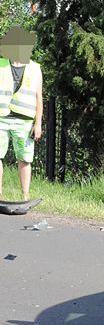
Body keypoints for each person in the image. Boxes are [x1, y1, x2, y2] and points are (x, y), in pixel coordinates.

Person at [0, 26, 42, 201]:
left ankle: (25, 195)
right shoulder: (1, 64)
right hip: (1, 117)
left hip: (24, 120)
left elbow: (39, 98)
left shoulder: (35, 68)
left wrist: (37, 123)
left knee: (24, 158)